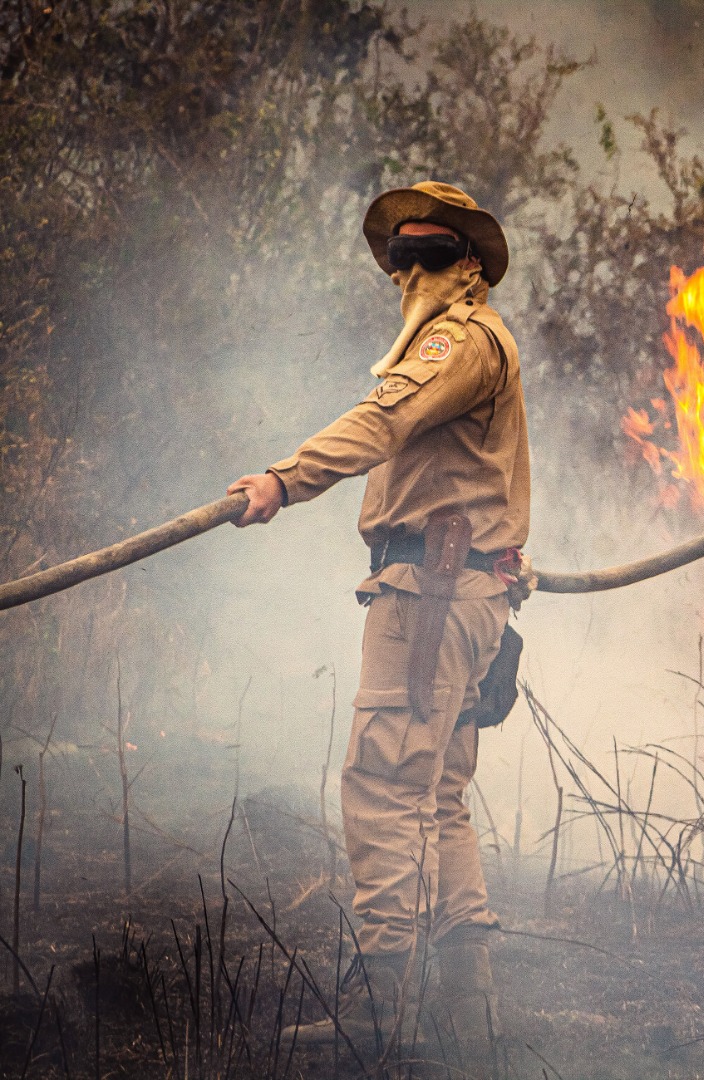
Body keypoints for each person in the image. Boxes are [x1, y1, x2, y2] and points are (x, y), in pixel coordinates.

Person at [228, 180, 527, 1066]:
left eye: (433, 251)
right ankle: (467, 1013)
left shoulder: (457, 338)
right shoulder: (465, 341)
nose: (413, 267)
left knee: (384, 789)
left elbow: (384, 419)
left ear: (469, 264)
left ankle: (379, 1012)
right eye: (404, 252)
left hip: (430, 599)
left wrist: (283, 479)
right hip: (462, 589)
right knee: (436, 797)